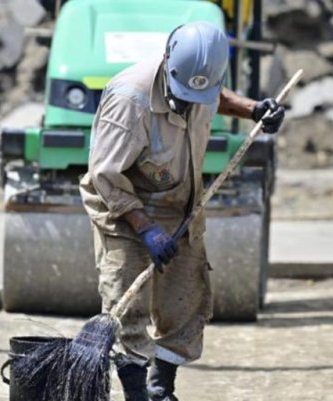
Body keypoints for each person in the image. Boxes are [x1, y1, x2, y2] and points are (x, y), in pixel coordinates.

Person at [79, 22, 285, 401]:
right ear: (169, 61)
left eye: (198, 93)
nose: (191, 101)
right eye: (185, 93)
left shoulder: (197, 82)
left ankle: (161, 389)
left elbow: (214, 94)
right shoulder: (131, 100)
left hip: (179, 205)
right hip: (123, 207)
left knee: (187, 300)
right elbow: (105, 175)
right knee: (128, 307)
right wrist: (145, 228)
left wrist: (253, 109)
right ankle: (137, 395)